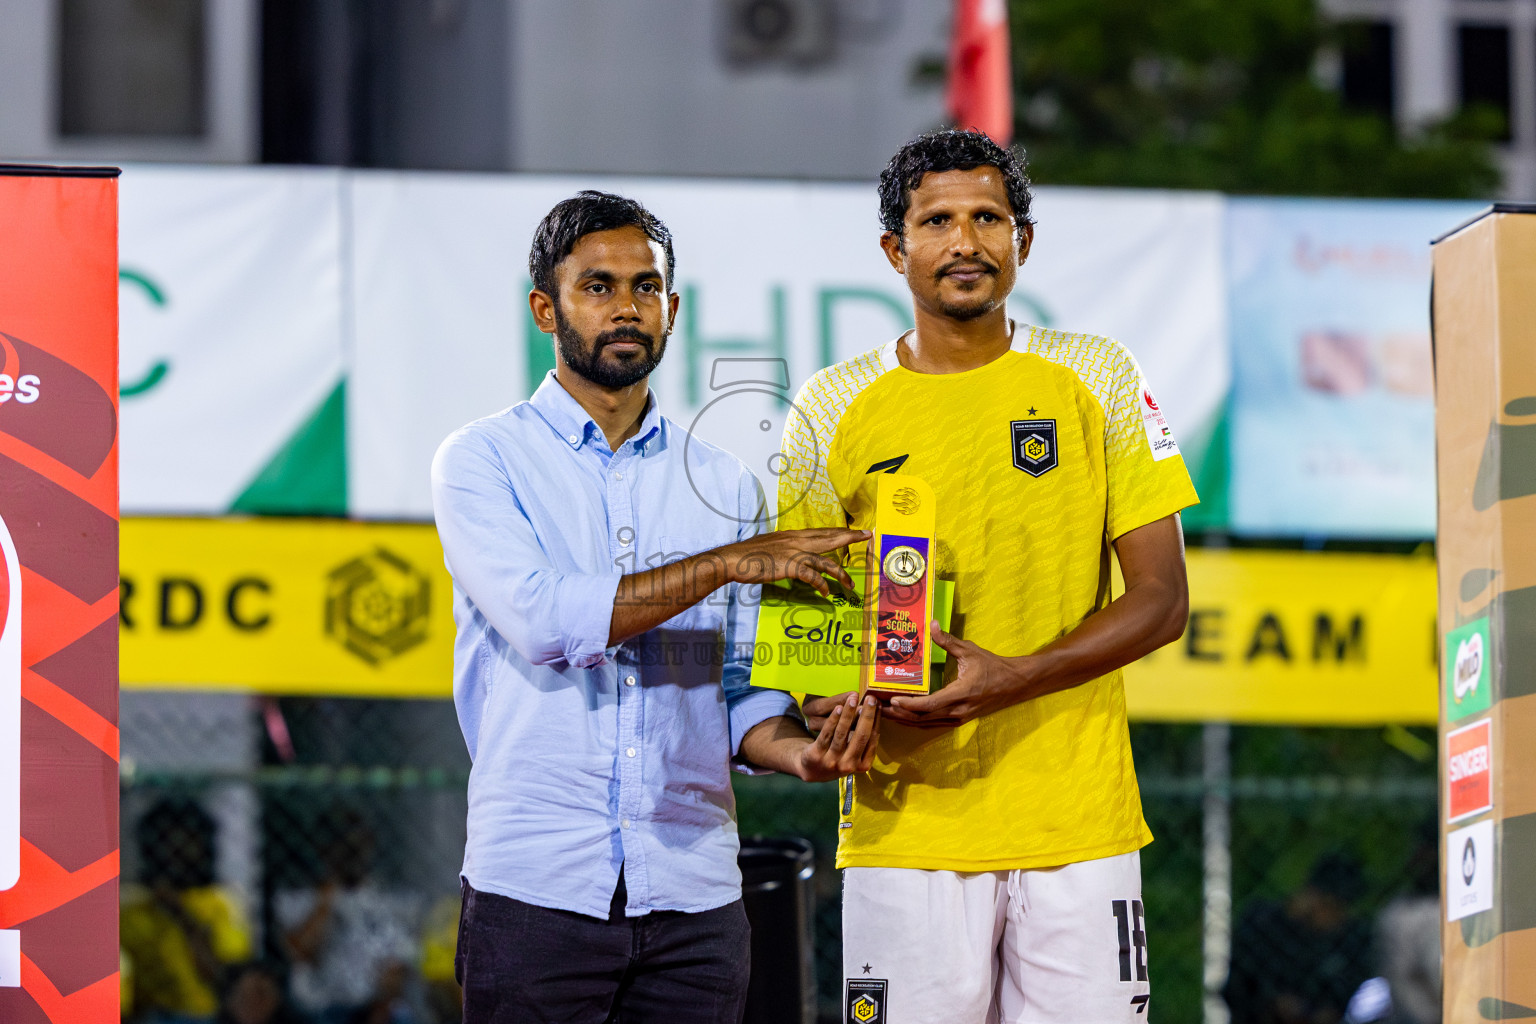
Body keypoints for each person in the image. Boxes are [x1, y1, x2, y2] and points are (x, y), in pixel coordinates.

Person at [430, 190, 882, 1023]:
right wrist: (726, 563)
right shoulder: (481, 461)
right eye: (597, 286)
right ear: (546, 308)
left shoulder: (723, 483)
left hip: (698, 897)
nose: (626, 306)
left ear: (672, 311)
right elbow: (544, 621)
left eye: (646, 287)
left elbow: (744, 692)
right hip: (534, 891)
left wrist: (803, 756)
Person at [776, 129, 1198, 1023]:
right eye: (937, 221)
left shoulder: (1098, 376)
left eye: (988, 218)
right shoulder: (827, 406)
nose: (965, 241)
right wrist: (831, 713)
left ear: (1023, 241)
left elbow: (1162, 602)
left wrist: (1008, 679)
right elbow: (807, 635)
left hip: (1076, 822)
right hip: (904, 825)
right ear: (897, 249)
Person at [275, 807, 422, 1024]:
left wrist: (380, 1007)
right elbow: (303, 951)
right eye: (339, 845)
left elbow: (397, 970)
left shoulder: (389, 899)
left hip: (373, 1010)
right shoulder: (300, 898)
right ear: (322, 849)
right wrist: (327, 899)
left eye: (356, 845)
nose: (348, 853)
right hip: (319, 1009)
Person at [120, 798, 254, 1024]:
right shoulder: (131, 908)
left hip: (205, 1016)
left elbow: (226, 979)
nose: (176, 852)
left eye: (186, 842)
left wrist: (180, 913)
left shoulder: (221, 902)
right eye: (168, 842)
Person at [1223, 852, 1376, 1024]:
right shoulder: (1261, 921)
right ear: (1314, 895)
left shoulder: (1346, 942)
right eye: (1334, 908)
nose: (1339, 918)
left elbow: (1345, 998)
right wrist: (1273, 1002)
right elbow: (1235, 983)